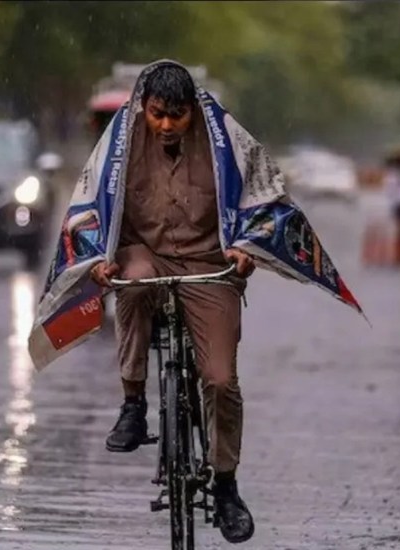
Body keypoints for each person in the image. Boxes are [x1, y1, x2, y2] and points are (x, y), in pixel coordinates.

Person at [88, 64, 255, 543]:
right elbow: (91, 209)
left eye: (176, 116)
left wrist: (246, 249)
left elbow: (261, 204)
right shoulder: (119, 145)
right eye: (157, 114)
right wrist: (99, 259)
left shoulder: (226, 143)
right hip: (146, 254)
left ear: (193, 113)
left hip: (209, 265)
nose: (165, 125)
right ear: (144, 108)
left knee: (220, 380)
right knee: (132, 282)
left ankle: (226, 486)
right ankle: (133, 403)